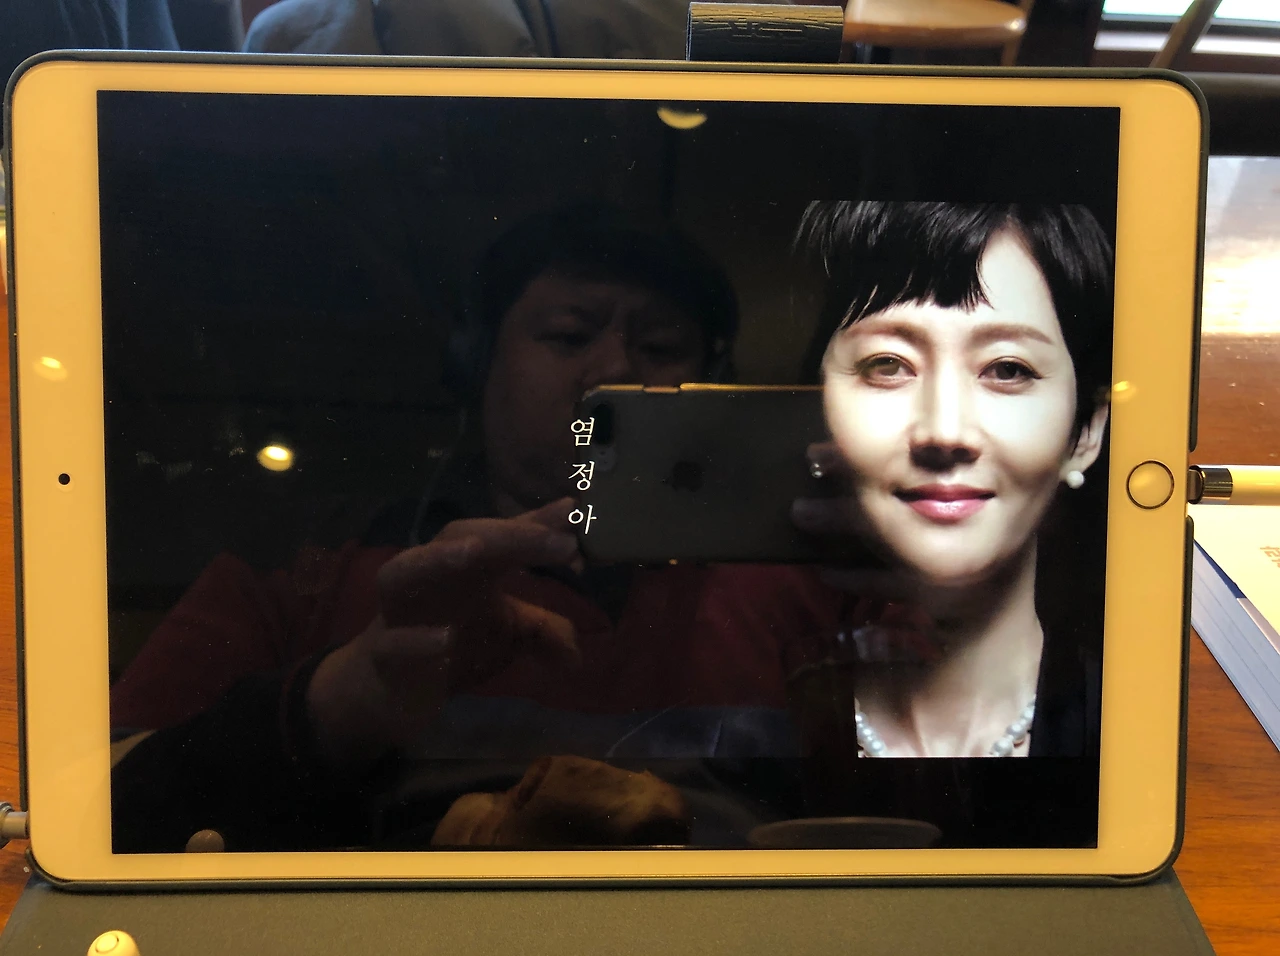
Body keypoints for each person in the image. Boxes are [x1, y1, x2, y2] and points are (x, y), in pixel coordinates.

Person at [108, 205, 845, 852]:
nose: (615, 368)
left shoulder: (814, 584)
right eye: (569, 335)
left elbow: (905, 823)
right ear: (478, 361)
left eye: (659, 348)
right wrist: (340, 699)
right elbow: (103, 806)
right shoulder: (307, 568)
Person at [790, 201, 1113, 760]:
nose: (944, 432)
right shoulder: (719, 733)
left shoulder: (1132, 741)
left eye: (1008, 369)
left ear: (1085, 432)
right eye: (886, 365)